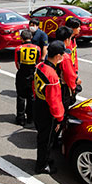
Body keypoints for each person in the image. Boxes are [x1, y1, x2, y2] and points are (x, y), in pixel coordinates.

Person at [33, 40, 65, 175]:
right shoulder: (52, 75)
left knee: (42, 136)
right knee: (46, 140)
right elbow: (54, 100)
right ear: (58, 56)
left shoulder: (40, 66)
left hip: (37, 104)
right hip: (47, 110)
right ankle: (41, 165)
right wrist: (59, 118)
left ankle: (44, 159)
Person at [14, 29, 41, 126]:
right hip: (33, 74)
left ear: (21, 38)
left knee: (21, 96)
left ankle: (20, 118)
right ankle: (31, 117)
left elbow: (17, 63)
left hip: (22, 73)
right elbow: (38, 61)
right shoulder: (37, 48)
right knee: (31, 97)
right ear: (31, 37)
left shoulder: (18, 48)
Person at [56, 26, 81, 109]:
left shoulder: (52, 49)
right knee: (63, 108)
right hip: (62, 87)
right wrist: (74, 86)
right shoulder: (64, 56)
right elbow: (69, 75)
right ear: (67, 40)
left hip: (53, 84)